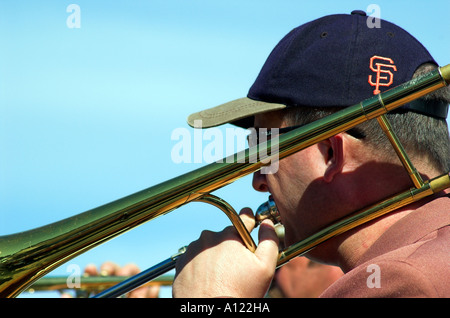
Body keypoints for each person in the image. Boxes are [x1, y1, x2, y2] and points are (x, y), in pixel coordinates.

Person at [172, 10, 450, 298]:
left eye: (265, 150)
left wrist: (213, 298)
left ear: (330, 152)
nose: (258, 181)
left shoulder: (401, 282)